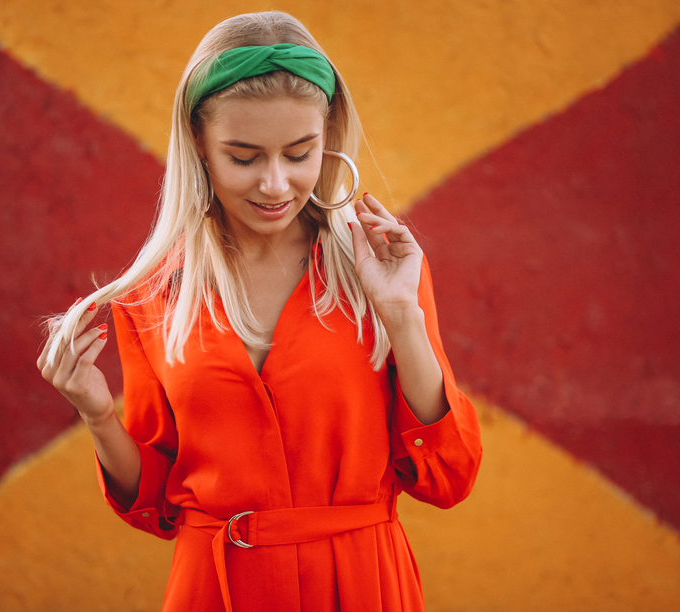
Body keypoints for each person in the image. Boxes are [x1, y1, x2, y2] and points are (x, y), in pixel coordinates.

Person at [38, 11, 481, 612]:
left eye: (299, 153)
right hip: (213, 590)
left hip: (360, 585)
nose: (276, 185)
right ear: (198, 143)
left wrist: (401, 314)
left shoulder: (381, 269)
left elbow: (449, 477)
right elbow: (158, 504)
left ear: (328, 139)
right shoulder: (150, 294)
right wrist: (97, 415)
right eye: (244, 157)